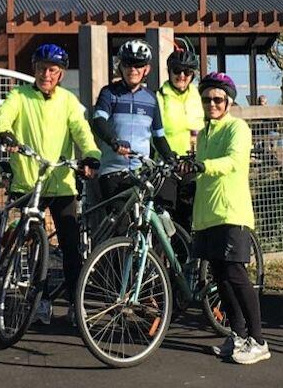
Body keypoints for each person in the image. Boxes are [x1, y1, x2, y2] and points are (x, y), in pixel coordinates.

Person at [0, 43, 100, 326]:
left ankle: (75, 303)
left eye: (53, 70)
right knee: (36, 246)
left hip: (62, 183)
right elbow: (4, 115)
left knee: (71, 247)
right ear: (34, 69)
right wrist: (5, 133)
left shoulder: (68, 101)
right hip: (30, 183)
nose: (46, 75)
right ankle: (40, 300)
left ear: (61, 73)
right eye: (42, 69)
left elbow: (81, 130)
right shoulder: (19, 95)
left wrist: (91, 154)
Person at [194, 72, 266, 364]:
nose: (212, 104)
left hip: (231, 211)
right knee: (221, 277)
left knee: (236, 275)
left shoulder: (238, 127)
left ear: (228, 102)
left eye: (218, 99)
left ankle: (258, 340)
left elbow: (234, 161)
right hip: (208, 214)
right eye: (206, 99)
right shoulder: (203, 134)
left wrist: (203, 165)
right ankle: (237, 335)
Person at [89, 38, 176, 212]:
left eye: (138, 65)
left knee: (149, 218)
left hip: (141, 173)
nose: (133, 69)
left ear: (146, 69)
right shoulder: (109, 93)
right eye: (128, 64)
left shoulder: (151, 98)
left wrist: (171, 157)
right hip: (113, 171)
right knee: (120, 222)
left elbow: (158, 137)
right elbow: (98, 121)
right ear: (120, 66)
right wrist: (114, 142)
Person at [158, 45, 205, 236]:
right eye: (177, 71)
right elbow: (155, 133)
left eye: (187, 72)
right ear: (169, 71)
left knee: (186, 218)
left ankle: (185, 255)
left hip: (192, 165)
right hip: (167, 165)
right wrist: (168, 157)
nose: (182, 76)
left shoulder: (198, 97)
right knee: (165, 219)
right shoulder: (160, 96)